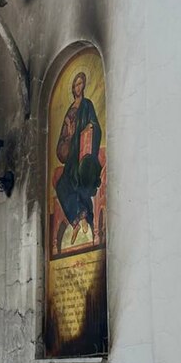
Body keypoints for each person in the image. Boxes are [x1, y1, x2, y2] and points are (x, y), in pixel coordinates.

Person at [54, 71, 102, 247]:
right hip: (71, 157)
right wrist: (69, 132)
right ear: (73, 88)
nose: (78, 87)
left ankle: (85, 219)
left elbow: (96, 127)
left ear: (84, 85)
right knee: (62, 185)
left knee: (79, 183)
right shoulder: (69, 110)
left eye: (80, 83)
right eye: (75, 84)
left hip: (83, 156)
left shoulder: (87, 105)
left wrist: (89, 128)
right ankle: (79, 218)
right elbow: (63, 138)